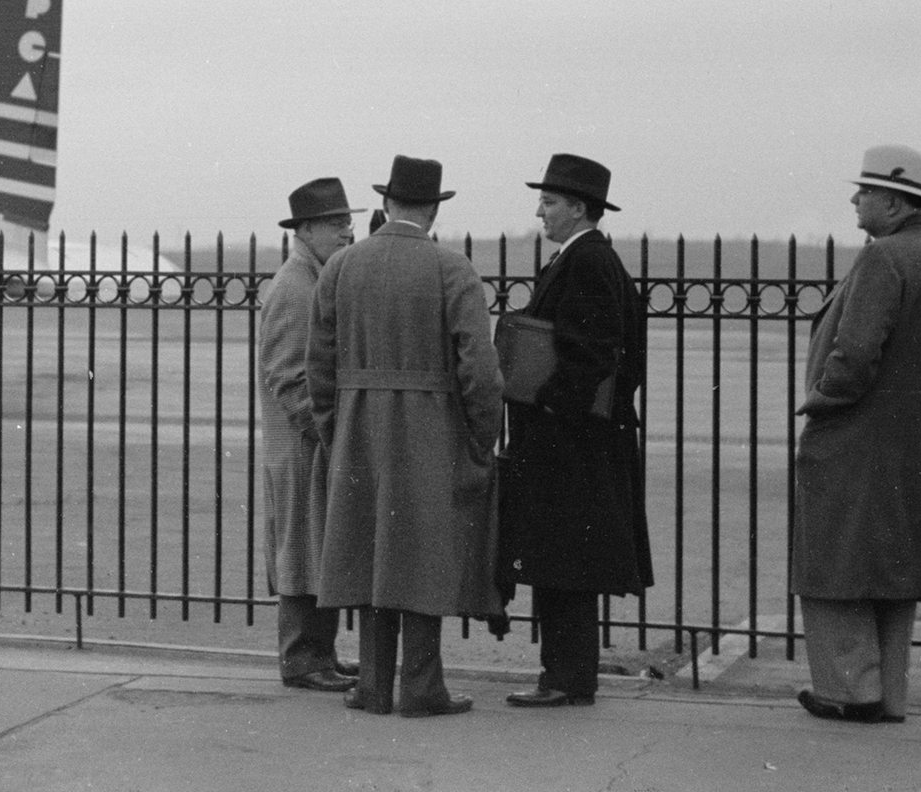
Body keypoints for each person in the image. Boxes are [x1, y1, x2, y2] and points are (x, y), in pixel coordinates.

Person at [308, 155, 502, 718]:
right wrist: (478, 439)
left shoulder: (341, 266)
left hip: (358, 427)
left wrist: (336, 431)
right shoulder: (452, 268)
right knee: (423, 555)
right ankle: (421, 687)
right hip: (431, 431)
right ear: (434, 208)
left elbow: (318, 365)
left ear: (386, 202)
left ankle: (372, 686)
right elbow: (480, 372)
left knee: (371, 553)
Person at [792, 145, 921, 724]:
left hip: (854, 440)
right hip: (912, 443)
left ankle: (849, 692)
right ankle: (887, 695)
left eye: (865, 192)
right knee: (893, 571)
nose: (855, 200)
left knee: (835, 564)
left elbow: (856, 352)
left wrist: (822, 401)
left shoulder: (884, 259)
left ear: (893, 204)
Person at [499, 153, 653, 708]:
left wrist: (541, 401)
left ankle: (564, 679)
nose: (540, 211)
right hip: (578, 438)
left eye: (549, 202)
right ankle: (567, 676)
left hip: (569, 442)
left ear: (578, 209)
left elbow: (588, 358)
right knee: (566, 561)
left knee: (563, 561)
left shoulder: (584, 263)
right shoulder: (587, 259)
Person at [257, 177, 363, 692]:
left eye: (348, 221)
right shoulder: (296, 286)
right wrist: (326, 432)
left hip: (310, 443)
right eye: (335, 223)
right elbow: (286, 375)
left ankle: (320, 652)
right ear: (305, 229)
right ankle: (302, 658)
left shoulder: (313, 278)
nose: (347, 231)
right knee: (301, 551)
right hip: (302, 446)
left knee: (316, 548)